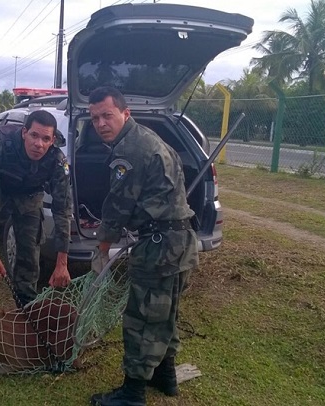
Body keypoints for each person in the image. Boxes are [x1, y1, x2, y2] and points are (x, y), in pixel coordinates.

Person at [88, 86, 199, 406]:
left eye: (107, 115)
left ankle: (132, 393)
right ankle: (166, 377)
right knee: (166, 314)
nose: (100, 123)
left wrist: (102, 246)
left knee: (141, 317)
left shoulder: (130, 150)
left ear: (126, 114)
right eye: (95, 118)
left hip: (159, 245)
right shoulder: (154, 140)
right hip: (181, 240)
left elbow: (119, 204)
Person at [0, 110, 73, 348]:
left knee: (29, 258)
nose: (39, 144)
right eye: (34, 136)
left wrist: (62, 262)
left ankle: (29, 317)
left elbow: (62, 208)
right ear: (24, 133)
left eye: (46, 139)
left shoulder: (57, 160)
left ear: (52, 141)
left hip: (30, 201)